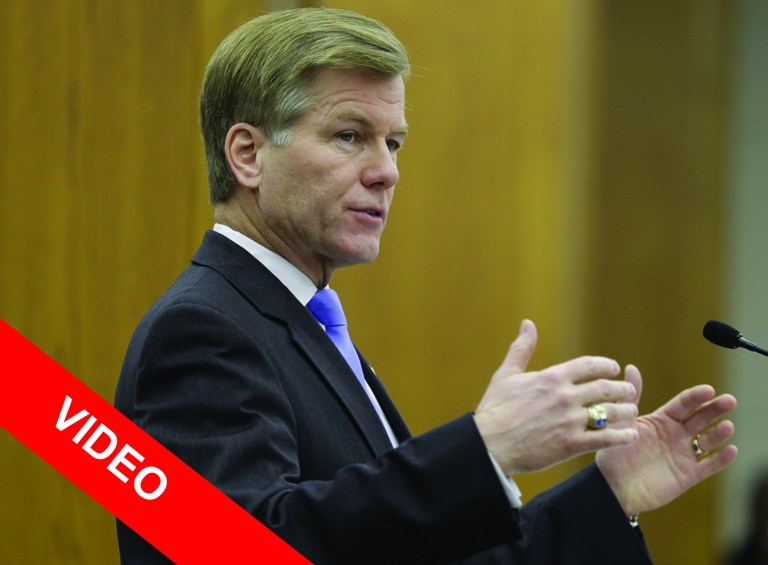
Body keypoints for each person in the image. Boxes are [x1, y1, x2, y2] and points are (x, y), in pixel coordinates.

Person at [115, 7, 738, 564]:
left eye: (393, 143)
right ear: (248, 155)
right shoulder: (202, 329)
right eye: (349, 136)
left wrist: (610, 493)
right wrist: (485, 446)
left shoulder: (304, 323)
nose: (386, 172)